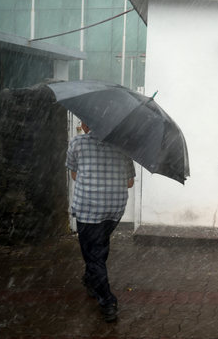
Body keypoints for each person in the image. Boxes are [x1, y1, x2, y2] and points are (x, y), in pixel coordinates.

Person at [66, 121, 135, 323]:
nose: (80, 124)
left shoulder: (77, 143)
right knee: (100, 245)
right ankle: (90, 280)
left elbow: (74, 175)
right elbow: (129, 183)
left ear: (88, 123)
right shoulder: (123, 145)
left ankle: (107, 302)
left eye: (83, 121)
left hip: (88, 209)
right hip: (114, 209)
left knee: (93, 255)